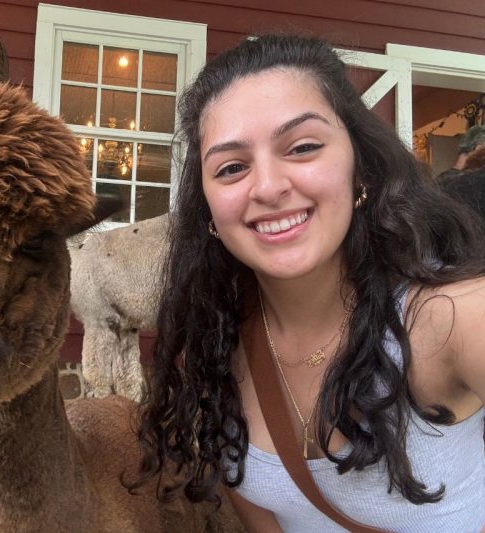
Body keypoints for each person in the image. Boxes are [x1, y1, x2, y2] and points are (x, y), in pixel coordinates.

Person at [134, 34, 485, 532]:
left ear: (359, 164)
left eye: (302, 147)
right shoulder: (214, 345)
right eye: (231, 167)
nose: (270, 186)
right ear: (208, 208)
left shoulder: (452, 317)